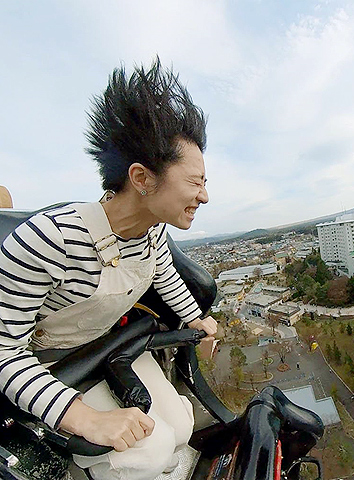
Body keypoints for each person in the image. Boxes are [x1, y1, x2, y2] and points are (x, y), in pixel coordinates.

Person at [0, 58, 217, 480]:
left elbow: (161, 273)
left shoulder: (150, 232)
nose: (204, 196)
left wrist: (195, 319)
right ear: (141, 177)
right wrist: (82, 418)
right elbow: (4, 353)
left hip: (107, 347)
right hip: (46, 365)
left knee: (182, 425)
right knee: (147, 454)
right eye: (195, 182)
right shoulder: (49, 239)